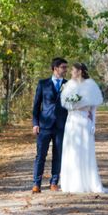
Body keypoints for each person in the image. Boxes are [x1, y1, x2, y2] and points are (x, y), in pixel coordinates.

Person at [59, 63, 108, 194]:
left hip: (84, 121)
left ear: (80, 71)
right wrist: (73, 104)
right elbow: (65, 103)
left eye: (73, 70)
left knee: (85, 151)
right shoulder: (68, 85)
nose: (71, 72)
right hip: (72, 121)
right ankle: (71, 183)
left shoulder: (90, 85)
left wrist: (93, 123)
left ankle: (87, 182)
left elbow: (93, 108)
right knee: (72, 150)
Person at [31, 57, 68, 193]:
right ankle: (36, 183)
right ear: (55, 68)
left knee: (58, 155)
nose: (65, 70)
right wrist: (35, 123)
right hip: (44, 125)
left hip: (61, 125)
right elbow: (36, 105)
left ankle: (54, 182)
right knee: (41, 155)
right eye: (63, 67)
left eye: (66, 67)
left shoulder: (68, 84)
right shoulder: (43, 84)